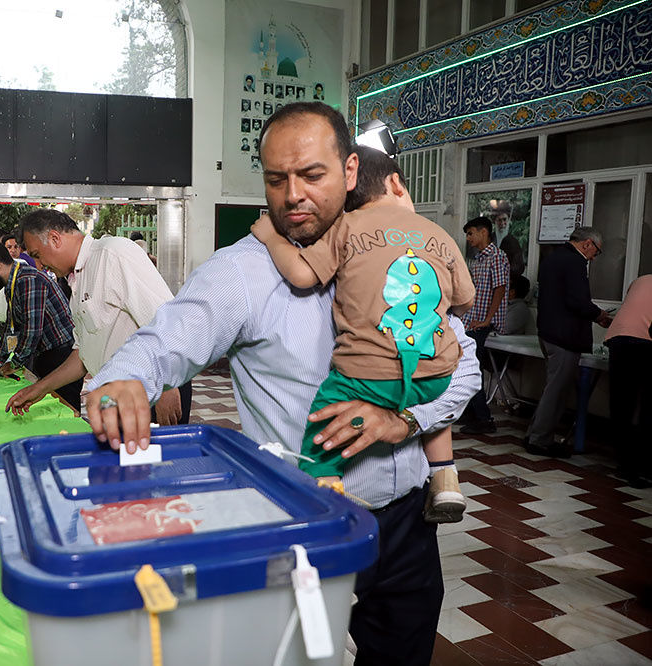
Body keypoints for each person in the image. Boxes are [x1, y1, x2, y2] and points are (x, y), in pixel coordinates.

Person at [82, 102, 480, 666]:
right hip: (304, 521)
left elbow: (465, 365)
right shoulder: (244, 272)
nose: (293, 194)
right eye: (276, 179)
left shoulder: (401, 247)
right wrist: (125, 378)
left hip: (409, 523)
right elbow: (170, 334)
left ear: (348, 171)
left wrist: (406, 419)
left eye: (312, 175)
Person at [251, 145, 474, 522]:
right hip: (435, 377)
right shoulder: (439, 234)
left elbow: (303, 276)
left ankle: (326, 490)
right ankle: (446, 476)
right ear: (396, 184)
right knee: (435, 402)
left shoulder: (345, 227)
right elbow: (465, 301)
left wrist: (271, 237)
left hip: (366, 379)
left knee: (326, 420)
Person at [6, 209, 191, 425]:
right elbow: (82, 357)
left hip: (153, 388)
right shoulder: (76, 279)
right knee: (120, 456)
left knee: (158, 457)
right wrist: (39, 388)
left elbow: (168, 320)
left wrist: (167, 387)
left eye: (37, 255)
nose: (39, 265)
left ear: (55, 238)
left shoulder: (114, 254)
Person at [525, 227, 613, 457]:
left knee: (551, 387)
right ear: (587, 244)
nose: (595, 257)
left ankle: (534, 434)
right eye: (597, 252)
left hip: (548, 332)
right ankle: (540, 441)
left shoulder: (553, 257)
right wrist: (599, 315)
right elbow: (577, 301)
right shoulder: (575, 262)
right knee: (556, 390)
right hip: (564, 337)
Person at [0, 240, 82, 411]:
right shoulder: (13, 283)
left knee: (65, 410)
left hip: (61, 357)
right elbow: (11, 330)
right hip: (45, 353)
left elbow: (31, 332)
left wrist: (12, 365)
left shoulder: (28, 280)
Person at [458, 217, 510, 435]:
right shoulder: (478, 259)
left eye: (471, 233)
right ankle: (471, 413)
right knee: (464, 367)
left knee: (471, 369)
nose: (468, 238)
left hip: (482, 324)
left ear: (483, 232)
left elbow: (499, 289)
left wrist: (488, 320)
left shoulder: (497, 257)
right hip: (471, 321)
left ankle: (484, 419)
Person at [604, 275, 652, 488]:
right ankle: (640, 469)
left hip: (617, 338)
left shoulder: (642, 279)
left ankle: (624, 465)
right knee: (646, 409)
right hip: (643, 342)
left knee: (622, 403)